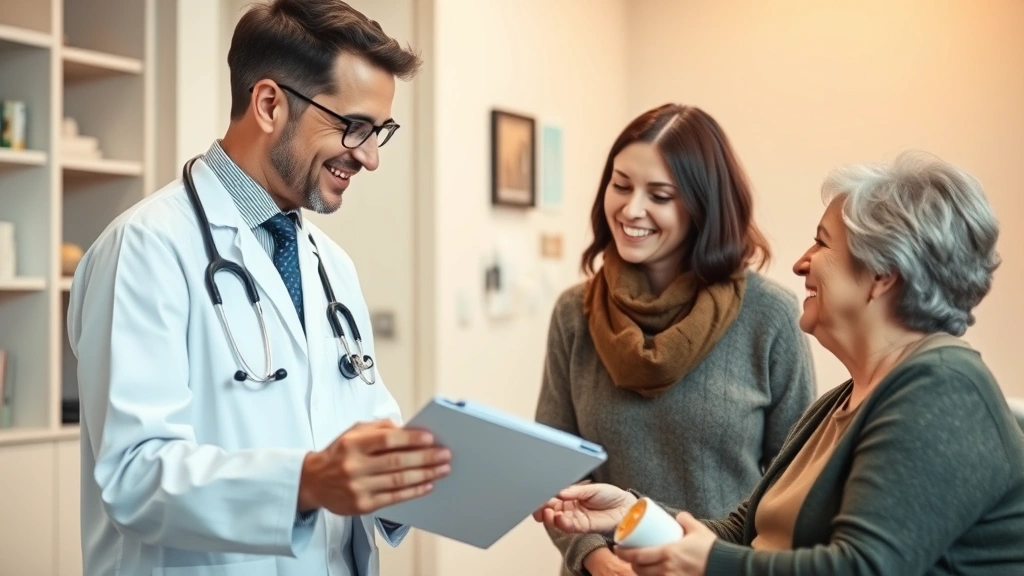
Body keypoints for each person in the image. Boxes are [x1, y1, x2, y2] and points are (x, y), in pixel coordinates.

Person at [66, 2, 451, 575]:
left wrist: (421, 479)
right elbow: (135, 475)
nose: (370, 157)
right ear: (269, 104)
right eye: (355, 127)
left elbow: (365, 436)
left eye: (380, 133)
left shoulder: (332, 266)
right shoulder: (145, 249)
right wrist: (306, 482)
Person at [534, 151, 1024, 576]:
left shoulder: (945, 389)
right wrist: (631, 514)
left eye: (823, 243)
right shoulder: (845, 400)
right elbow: (741, 529)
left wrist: (709, 566)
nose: (800, 262)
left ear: (881, 276)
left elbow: (866, 568)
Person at [534, 104, 815, 576]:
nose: (631, 209)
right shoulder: (574, 313)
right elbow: (550, 467)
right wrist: (596, 559)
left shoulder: (771, 317)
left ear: (702, 207)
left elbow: (797, 487)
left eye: (659, 195)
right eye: (620, 185)